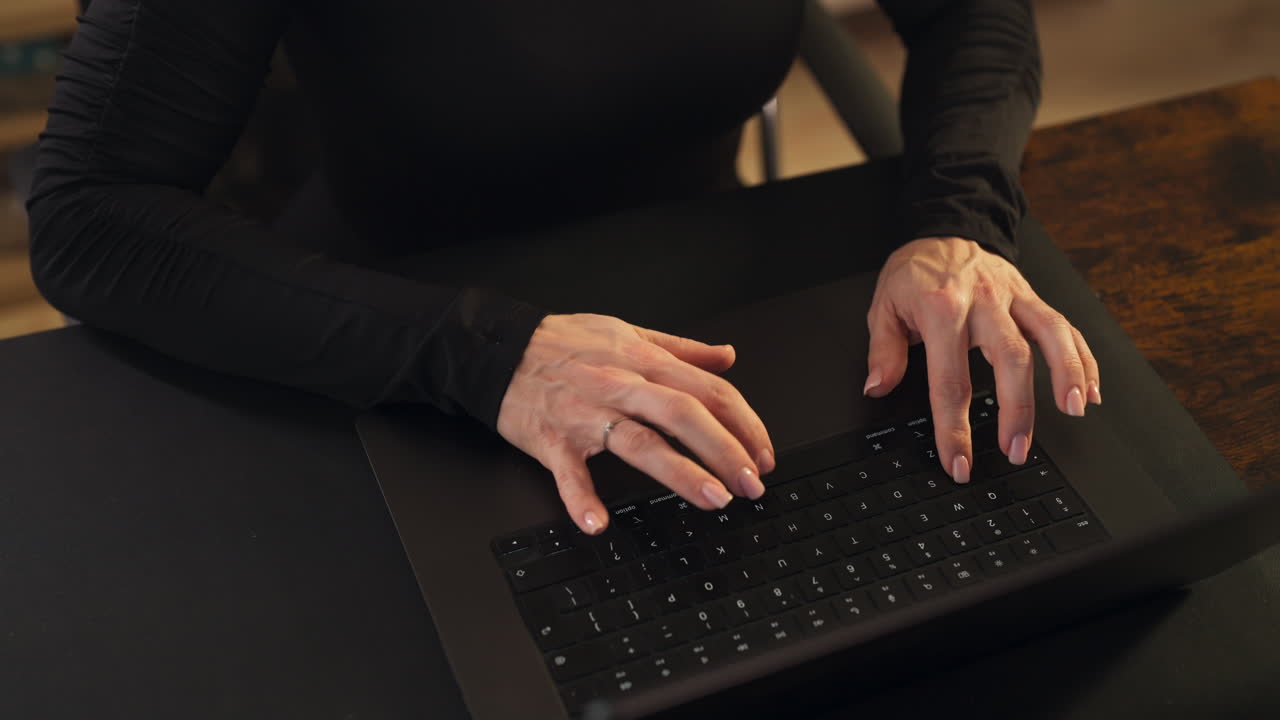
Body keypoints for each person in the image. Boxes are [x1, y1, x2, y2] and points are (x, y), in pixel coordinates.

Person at [27, 0, 1099, 537]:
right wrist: (486, 355)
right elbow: (90, 216)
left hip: (719, 307)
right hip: (400, 350)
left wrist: (953, 223)